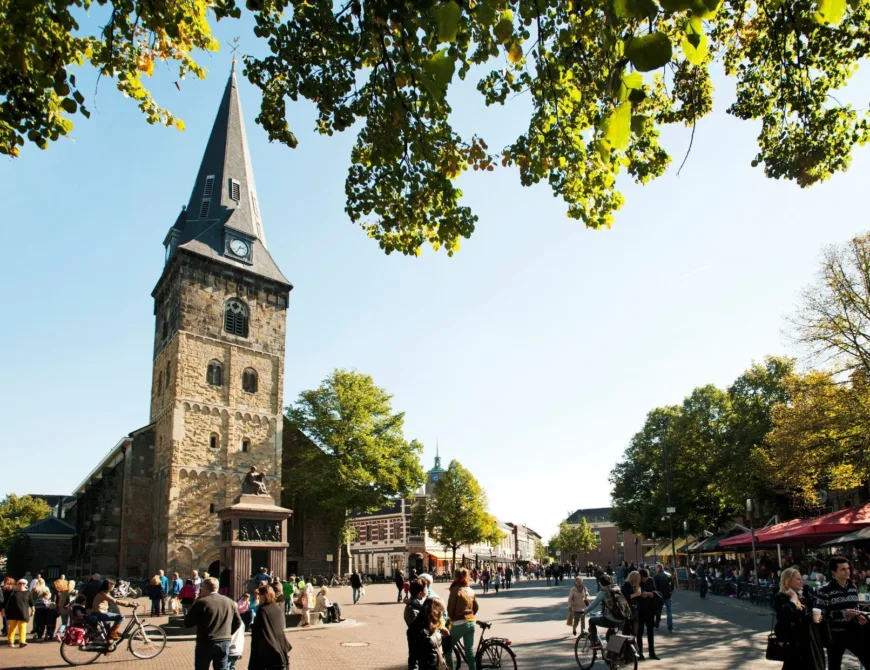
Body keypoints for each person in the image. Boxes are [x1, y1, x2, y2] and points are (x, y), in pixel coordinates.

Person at [816, 556, 870, 670]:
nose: (847, 571)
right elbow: (821, 615)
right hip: (835, 634)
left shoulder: (853, 587)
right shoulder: (825, 590)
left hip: (853, 631)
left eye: (848, 568)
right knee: (834, 665)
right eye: (843, 569)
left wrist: (859, 616)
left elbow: (854, 608)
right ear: (833, 572)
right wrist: (841, 614)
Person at [184, 576, 242, 670]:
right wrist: (228, 633)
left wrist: (194, 604)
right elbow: (238, 622)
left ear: (205, 588)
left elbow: (187, 623)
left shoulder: (202, 602)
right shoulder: (229, 602)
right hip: (224, 641)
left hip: (206, 642)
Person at [773, 567, 825, 670]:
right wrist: (793, 598)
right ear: (788, 581)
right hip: (794, 645)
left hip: (809, 643)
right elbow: (787, 614)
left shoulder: (803, 596)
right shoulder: (780, 597)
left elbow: (808, 614)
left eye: (801, 579)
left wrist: (817, 618)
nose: (801, 581)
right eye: (798, 579)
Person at [583, 575, 632, 650]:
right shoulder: (617, 589)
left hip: (610, 619)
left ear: (601, 584)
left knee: (591, 621)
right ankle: (613, 655)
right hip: (622, 617)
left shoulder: (603, 591)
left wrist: (584, 611)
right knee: (610, 636)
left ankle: (595, 642)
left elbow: (593, 605)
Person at [249, 585, 292, 670]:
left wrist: (253, 627)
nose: (258, 596)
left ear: (264, 595)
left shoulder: (262, 609)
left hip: (268, 648)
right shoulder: (277, 608)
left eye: (260, 594)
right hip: (280, 646)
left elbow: (261, 630)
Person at [447, 567, 479, 670]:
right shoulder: (470, 590)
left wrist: (449, 620)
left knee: (447, 649)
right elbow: (476, 607)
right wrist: (469, 613)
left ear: (455, 577)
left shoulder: (455, 590)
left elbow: (450, 608)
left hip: (459, 623)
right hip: (471, 622)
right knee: (469, 652)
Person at [407, 598, 448, 670]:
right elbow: (413, 658)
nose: (441, 615)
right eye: (441, 612)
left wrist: (446, 637)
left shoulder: (433, 625)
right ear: (434, 611)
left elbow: (442, 650)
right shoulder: (416, 629)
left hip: (439, 667)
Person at [636, 568, 660, 661]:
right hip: (640, 611)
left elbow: (656, 592)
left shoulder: (650, 580)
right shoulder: (637, 582)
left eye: (646, 578)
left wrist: (650, 594)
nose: (645, 580)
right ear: (640, 577)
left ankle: (652, 652)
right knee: (640, 633)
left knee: (650, 632)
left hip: (650, 610)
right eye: (643, 578)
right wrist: (640, 594)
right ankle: (640, 653)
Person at [5, 579, 34, 648]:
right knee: (12, 628)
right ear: (17, 584)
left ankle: (22, 642)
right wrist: (3, 610)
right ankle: (11, 642)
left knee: (22, 628)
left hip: (23, 612)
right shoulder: (12, 592)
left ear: (26, 584)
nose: (21, 585)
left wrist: (33, 609)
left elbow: (31, 602)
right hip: (12, 612)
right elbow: (6, 601)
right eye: (20, 583)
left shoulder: (28, 592)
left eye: (23, 584)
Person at [653, 563, 674, 633]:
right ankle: (670, 626)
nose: (655, 569)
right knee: (669, 611)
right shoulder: (669, 575)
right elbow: (672, 586)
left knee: (658, 610)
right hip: (668, 595)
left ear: (659, 568)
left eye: (656, 568)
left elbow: (654, 587)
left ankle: (657, 623)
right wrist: (670, 592)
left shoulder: (656, 576)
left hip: (659, 596)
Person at [228, 602, 245, 670]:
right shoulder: (241, 621)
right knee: (231, 666)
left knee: (227, 667)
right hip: (238, 649)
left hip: (231, 648)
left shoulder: (232, 620)